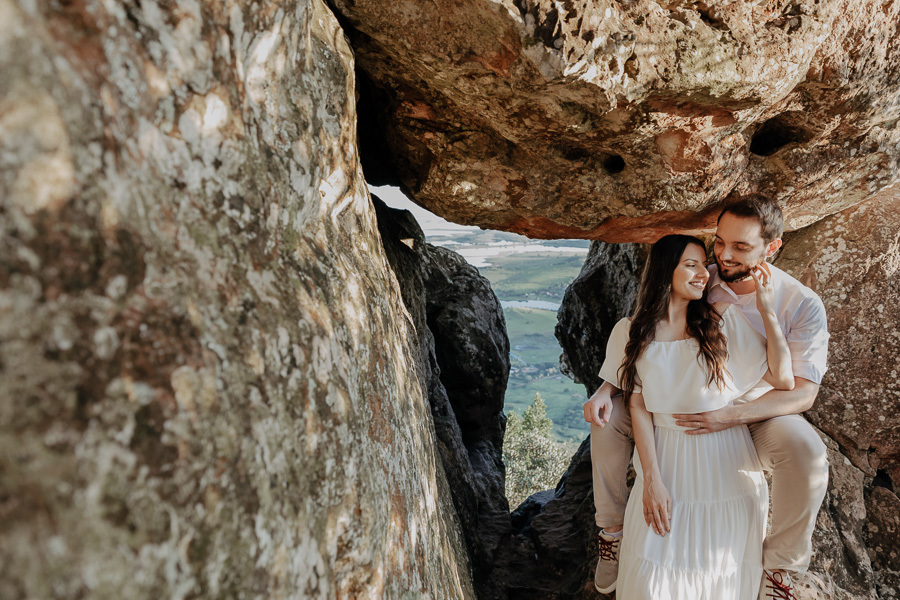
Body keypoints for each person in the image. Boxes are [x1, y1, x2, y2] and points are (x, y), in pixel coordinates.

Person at [585, 195, 829, 599]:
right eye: (720, 243)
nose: (724, 257)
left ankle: (779, 569)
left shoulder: (801, 303)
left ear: (772, 248)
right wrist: (606, 388)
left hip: (758, 409)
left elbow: (799, 389)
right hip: (673, 405)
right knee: (606, 420)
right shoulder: (702, 277)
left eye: (741, 247)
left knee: (807, 452)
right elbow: (641, 346)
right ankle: (611, 532)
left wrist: (730, 416)